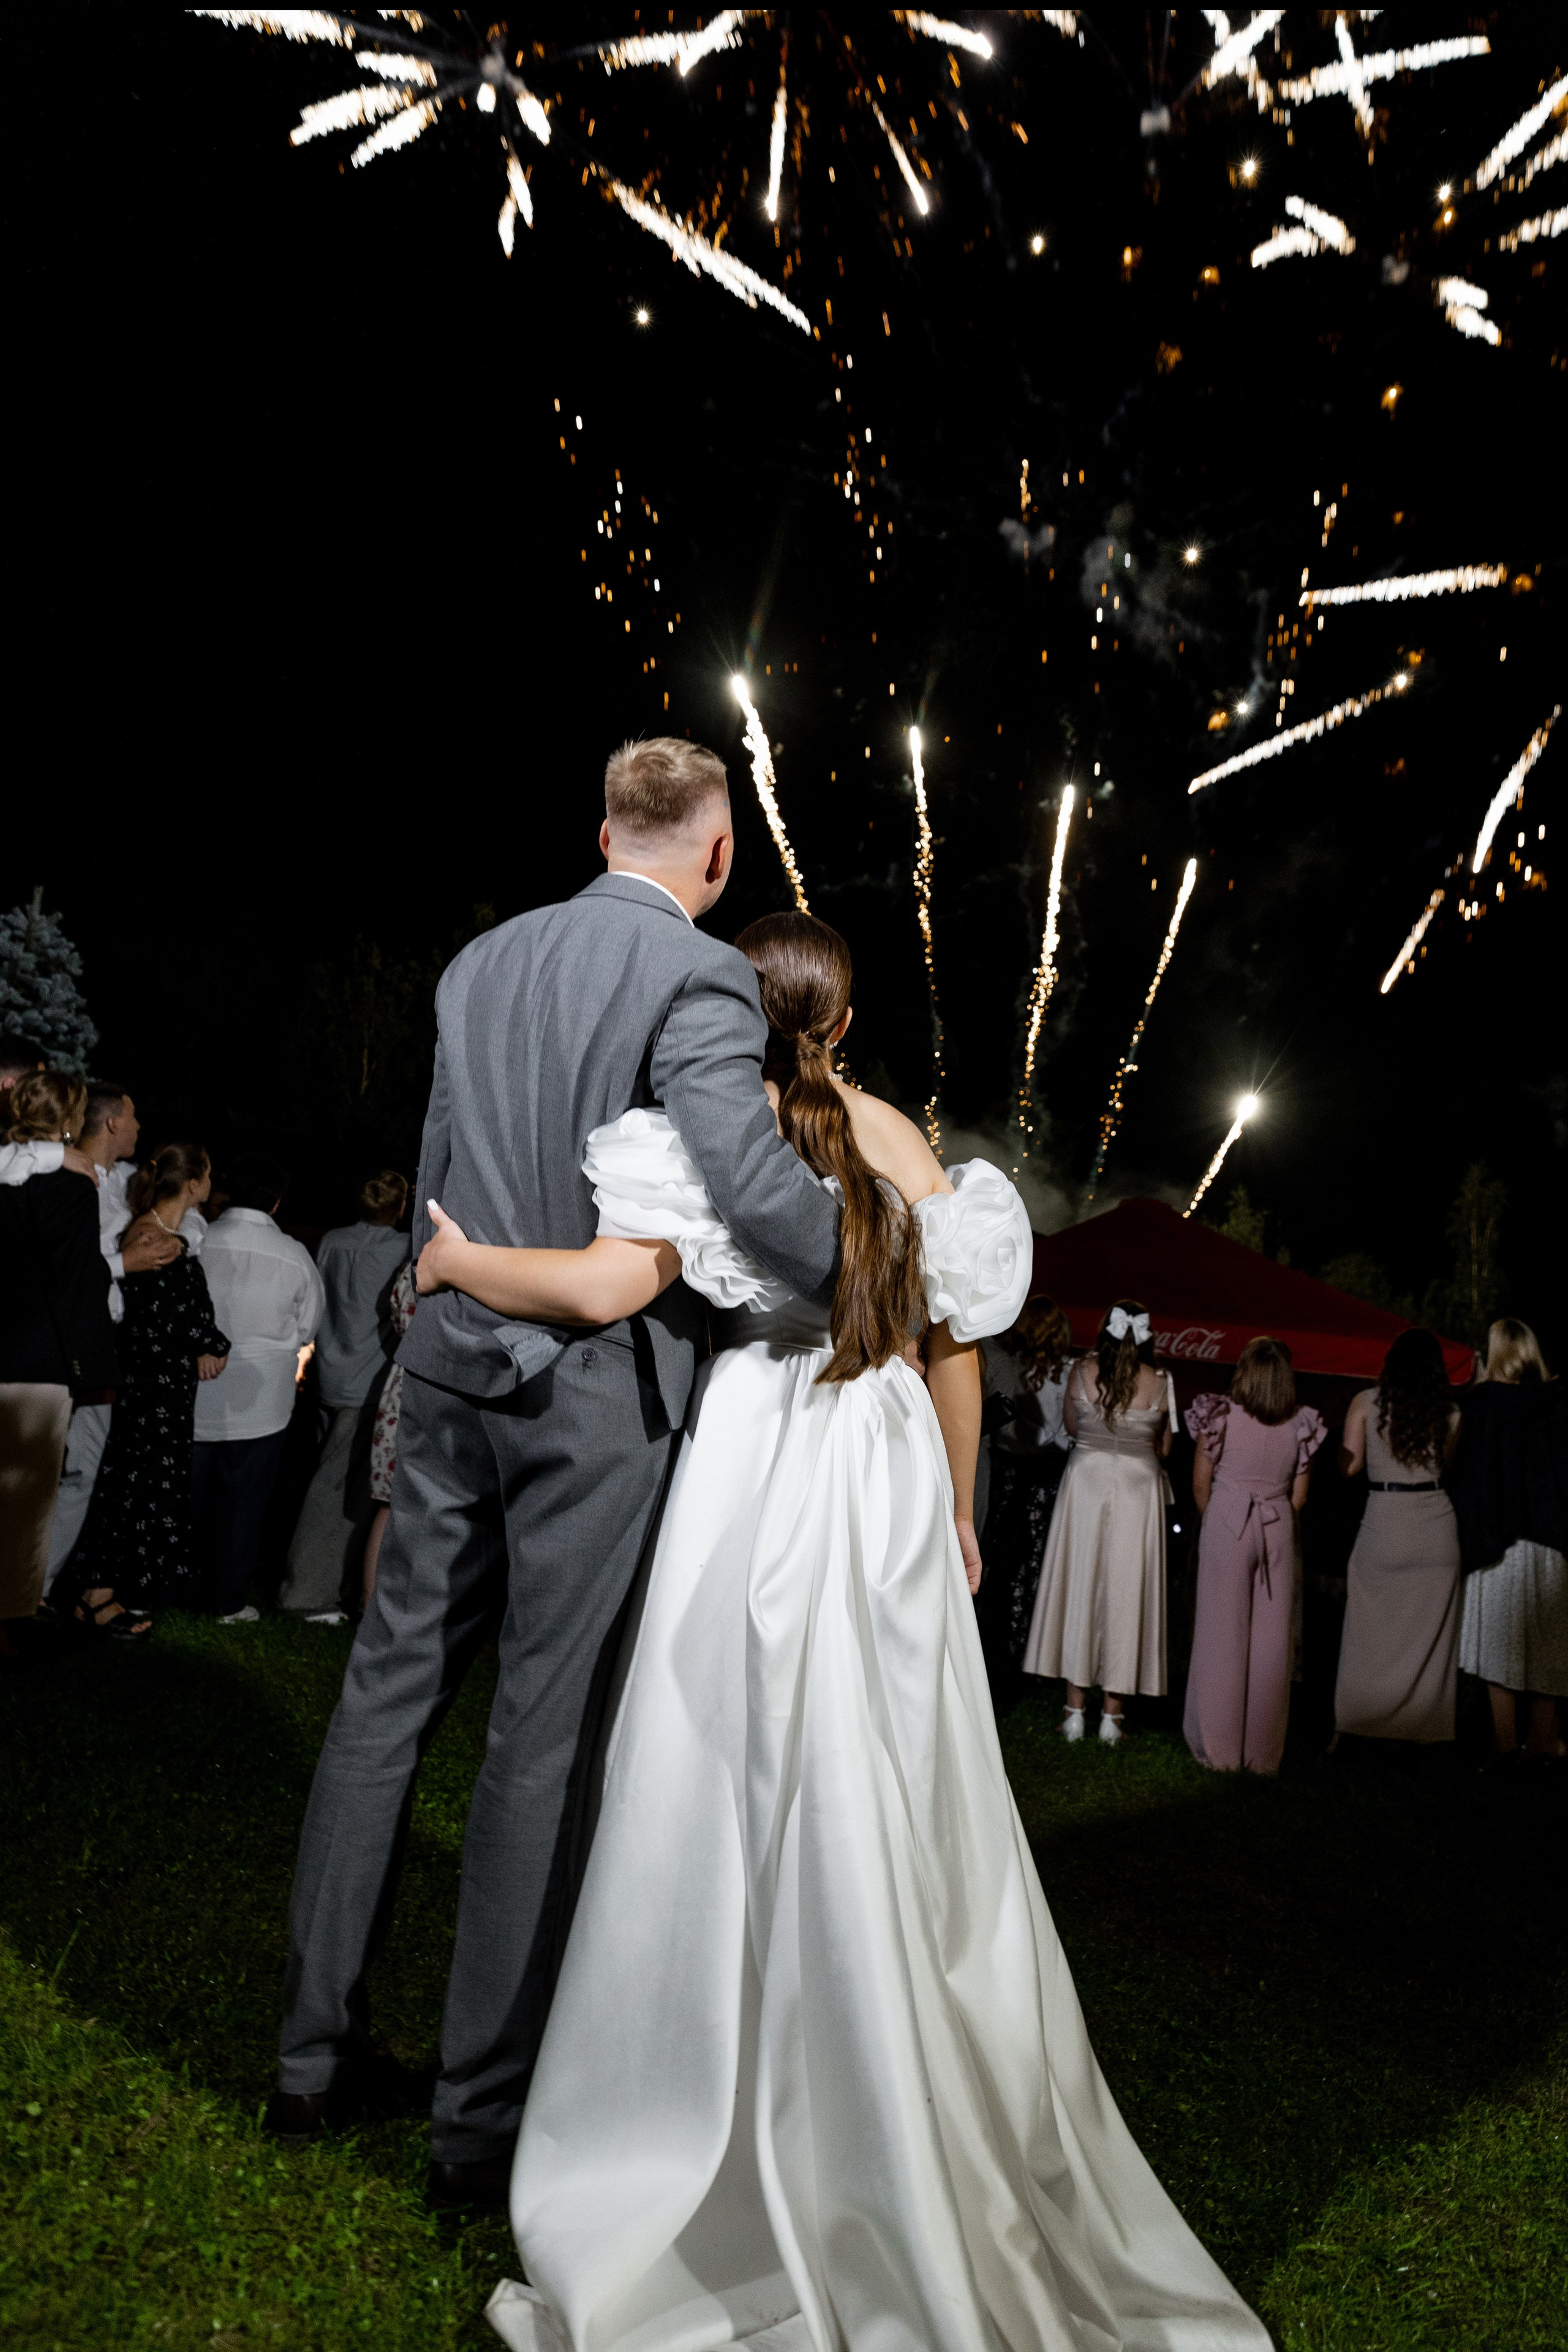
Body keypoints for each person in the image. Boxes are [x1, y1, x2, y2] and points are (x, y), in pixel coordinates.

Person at [413, 910, 1268, 2352]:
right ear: (842, 1016)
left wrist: (456, 1263)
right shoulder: (894, 1138)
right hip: (878, 1474)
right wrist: (951, 1509)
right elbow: (951, 1352)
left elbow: (603, 1286)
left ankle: (718, 2087)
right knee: (889, 1780)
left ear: (716, 1009)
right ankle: (884, 2076)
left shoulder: (701, 1134)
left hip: (753, 1460)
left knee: (716, 1773)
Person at [270, 739, 843, 2214]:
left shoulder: (479, 967)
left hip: (455, 1361)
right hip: (592, 1394)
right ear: (716, 859)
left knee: (382, 1698)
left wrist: (442, 1320)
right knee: (538, 1735)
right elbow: (737, 1169)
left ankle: (308, 2058)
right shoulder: (698, 977)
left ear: (603, 833)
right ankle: (477, 2122)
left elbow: (439, 1164)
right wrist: (871, 1259)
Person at [67, 1142, 230, 1621]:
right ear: (195, 1182)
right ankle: (97, 1596)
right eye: (208, 1176)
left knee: (141, 1486)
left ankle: (109, 1589)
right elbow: (168, 1315)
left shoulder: (168, 1232)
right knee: (132, 1488)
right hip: (152, 1388)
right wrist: (214, 1343)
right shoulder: (154, 1238)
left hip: (162, 1385)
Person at [43, 1080, 181, 1594]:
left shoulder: (124, 1183)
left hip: (106, 1342)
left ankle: (43, 1580)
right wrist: (127, 1261)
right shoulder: (64, 1177)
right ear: (113, 1123)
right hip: (62, 1342)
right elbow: (61, 1269)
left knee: (82, 1470)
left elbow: (179, 1213)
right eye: (134, 1117)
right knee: (53, 1467)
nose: (141, 1127)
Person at [0, 1072, 118, 1655]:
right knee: (26, 1497)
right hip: (38, 1359)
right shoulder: (72, 1190)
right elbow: (77, 1285)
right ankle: (12, 1617)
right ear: (70, 1119)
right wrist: (94, 1370)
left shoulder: (8, 1177)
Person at [1022, 1297, 1175, 1741]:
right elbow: (1164, 1447)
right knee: (1128, 1593)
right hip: (1137, 1486)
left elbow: (1072, 1427)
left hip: (1086, 1482)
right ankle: (1112, 1718)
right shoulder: (1160, 1380)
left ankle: (1073, 1714)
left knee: (1080, 1583)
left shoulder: (1081, 1371)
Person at [1183, 1337, 1326, 1773]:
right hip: (1277, 1526)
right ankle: (1261, 1756)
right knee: (1271, 1643)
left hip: (1229, 1520)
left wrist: (1221, 1524)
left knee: (1220, 1639)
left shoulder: (1221, 1416)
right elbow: (1299, 1496)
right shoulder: (1300, 1423)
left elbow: (1200, 1484)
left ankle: (1220, 1752)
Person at [192, 1154, 325, 1621]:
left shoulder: (199, 1242)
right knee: (242, 1505)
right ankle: (225, 1598)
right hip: (263, 1398)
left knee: (184, 1495)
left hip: (195, 1391)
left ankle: (171, 1584)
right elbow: (309, 1326)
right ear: (276, 1200)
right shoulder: (294, 1255)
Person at [281, 1170, 410, 1616]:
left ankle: (334, 1583)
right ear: (400, 1208)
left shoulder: (333, 1240)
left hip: (328, 1372)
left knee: (331, 1479)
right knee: (338, 1491)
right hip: (368, 1379)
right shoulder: (403, 1249)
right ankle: (308, 1593)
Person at [1332, 1329, 1462, 1748]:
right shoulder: (1452, 1414)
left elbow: (1348, 1468)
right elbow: (1445, 1465)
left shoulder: (1365, 1404)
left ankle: (1352, 1725)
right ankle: (1419, 1729)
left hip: (1385, 1524)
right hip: (1435, 1529)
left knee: (1366, 1630)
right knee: (1428, 1636)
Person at [1450, 1318, 1568, 1765]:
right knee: (1548, 1646)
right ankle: (1541, 1743)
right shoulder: (1558, 1402)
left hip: (1498, 1540)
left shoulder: (1481, 1405)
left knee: (1496, 1647)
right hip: (1551, 1543)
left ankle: (1505, 1744)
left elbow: (1471, 1477)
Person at [974, 1294, 1074, 1679]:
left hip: (1014, 1477)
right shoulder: (1067, 1374)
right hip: (1046, 1480)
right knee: (1040, 1565)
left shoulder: (1011, 1369)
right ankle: (1036, 1651)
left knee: (1007, 1564)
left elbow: (1009, 1436)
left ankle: (1006, 1647)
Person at [361, 1259, 417, 1608]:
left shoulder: (414, 1264)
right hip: (430, 1382)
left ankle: (370, 1603)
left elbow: (399, 1316)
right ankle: (379, 1604)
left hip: (404, 1379)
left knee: (389, 1503)